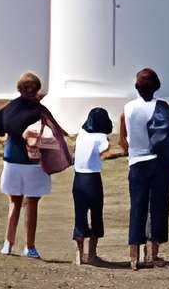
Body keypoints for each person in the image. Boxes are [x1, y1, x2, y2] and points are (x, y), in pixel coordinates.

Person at [0, 71, 70, 259]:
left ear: (19, 88)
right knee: (32, 204)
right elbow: (55, 131)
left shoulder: (10, 107)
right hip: (33, 162)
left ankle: (8, 244)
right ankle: (30, 247)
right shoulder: (39, 110)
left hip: (12, 158)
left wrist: (2, 138)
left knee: (14, 202)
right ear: (37, 90)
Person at [119, 68, 169, 270]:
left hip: (137, 164)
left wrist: (134, 149)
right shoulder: (163, 106)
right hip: (160, 163)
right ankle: (152, 253)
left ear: (136, 86)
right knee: (157, 207)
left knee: (137, 206)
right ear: (156, 86)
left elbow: (123, 141)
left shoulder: (127, 108)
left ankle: (133, 256)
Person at [71, 107, 116, 266]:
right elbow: (105, 151)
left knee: (80, 215)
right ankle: (92, 254)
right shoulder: (101, 137)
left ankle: (79, 254)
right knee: (96, 216)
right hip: (93, 179)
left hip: (78, 179)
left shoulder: (81, 134)